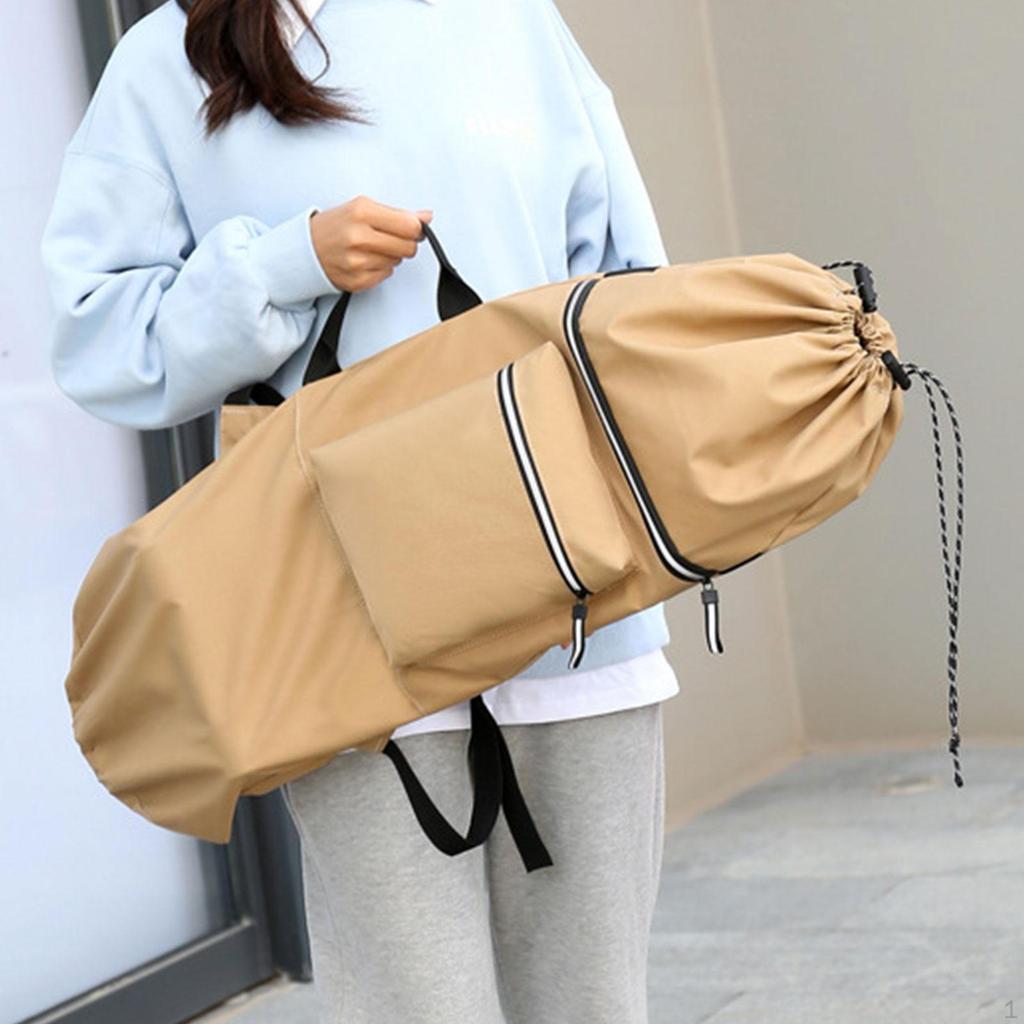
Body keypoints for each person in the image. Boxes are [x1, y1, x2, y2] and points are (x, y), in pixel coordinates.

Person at [40, 1, 678, 1020]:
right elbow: (99, 336)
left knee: (595, 1001)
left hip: (575, 610)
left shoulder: (511, 20)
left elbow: (630, 287)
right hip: (349, 638)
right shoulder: (169, 56)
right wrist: (281, 267)